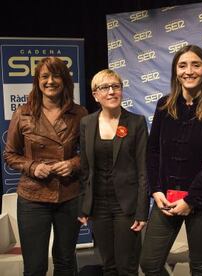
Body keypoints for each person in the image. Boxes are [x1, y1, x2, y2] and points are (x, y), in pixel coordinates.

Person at [140, 45, 202, 276]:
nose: (189, 71)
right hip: (166, 199)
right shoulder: (163, 105)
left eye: (195, 65)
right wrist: (156, 190)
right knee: (149, 263)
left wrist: (191, 200)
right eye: (182, 65)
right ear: (175, 73)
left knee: (201, 267)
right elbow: (153, 151)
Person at [3, 56, 87, 276]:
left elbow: (89, 155)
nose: (51, 81)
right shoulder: (23, 113)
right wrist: (33, 167)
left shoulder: (79, 113)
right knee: (35, 266)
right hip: (33, 198)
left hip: (69, 195)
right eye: (45, 76)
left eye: (56, 75)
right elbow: (10, 155)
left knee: (66, 262)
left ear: (65, 80)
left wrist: (72, 163)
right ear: (37, 81)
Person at [78, 69, 149, 275]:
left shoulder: (136, 122)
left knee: (127, 267)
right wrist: (84, 205)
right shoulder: (87, 123)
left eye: (115, 87)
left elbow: (144, 169)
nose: (111, 92)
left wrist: (142, 210)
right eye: (104, 88)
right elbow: (84, 168)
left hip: (126, 206)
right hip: (98, 205)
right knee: (108, 266)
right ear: (95, 95)